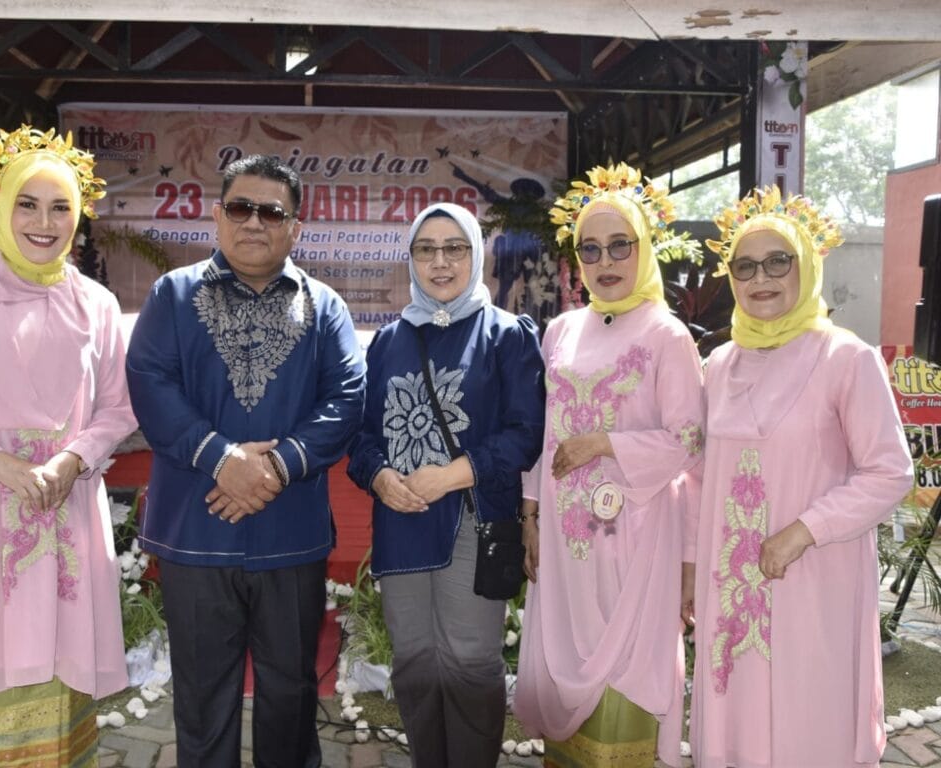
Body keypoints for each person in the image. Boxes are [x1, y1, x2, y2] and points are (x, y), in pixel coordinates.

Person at [125, 154, 365, 767]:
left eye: (272, 211)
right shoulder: (173, 295)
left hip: (291, 535)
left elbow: (346, 399)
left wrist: (275, 466)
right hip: (197, 531)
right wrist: (220, 458)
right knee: (203, 698)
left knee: (291, 689)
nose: (254, 222)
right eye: (240, 207)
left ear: (296, 229)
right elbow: (151, 382)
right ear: (216, 216)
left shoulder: (325, 307)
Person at [0, 124, 136, 764]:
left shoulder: (95, 302)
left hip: (64, 509)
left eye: (61, 206)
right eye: (28, 204)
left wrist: (72, 459)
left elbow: (116, 408)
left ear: (80, 216)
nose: (45, 222)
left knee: (57, 672)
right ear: (1, 205)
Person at [682, 186, 913, 768]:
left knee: (808, 717)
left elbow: (890, 471)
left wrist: (805, 529)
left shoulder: (846, 359)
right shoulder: (720, 363)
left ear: (806, 266)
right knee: (735, 715)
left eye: (777, 261)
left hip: (812, 579)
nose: (761, 277)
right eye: (745, 265)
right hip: (730, 584)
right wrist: (689, 565)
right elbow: (699, 479)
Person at [514, 163, 704, 768]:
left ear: (643, 248)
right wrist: (529, 512)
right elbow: (542, 429)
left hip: (637, 531)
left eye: (619, 244)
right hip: (567, 536)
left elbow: (690, 441)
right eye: (590, 248)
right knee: (567, 652)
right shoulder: (563, 329)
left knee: (625, 667)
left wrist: (603, 444)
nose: (606, 259)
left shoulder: (668, 334)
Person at [347, 201, 545, 766]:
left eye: (454, 247)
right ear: (409, 259)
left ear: (476, 254)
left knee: (469, 663)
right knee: (413, 660)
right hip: (401, 520)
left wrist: (450, 477)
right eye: (426, 249)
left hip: (472, 519)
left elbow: (525, 433)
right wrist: (381, 477)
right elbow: (361, 438)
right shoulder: (387, 343)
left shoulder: (507, 335)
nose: (440, 262)